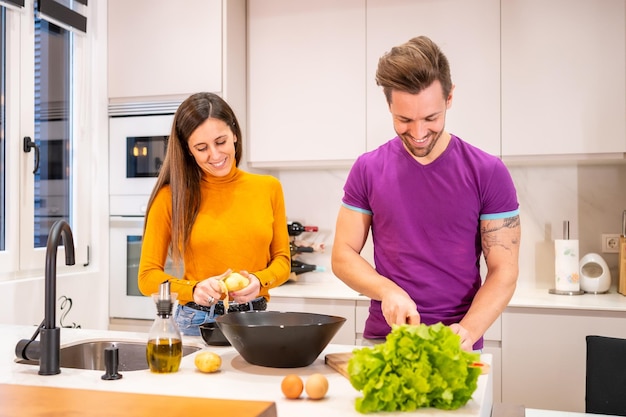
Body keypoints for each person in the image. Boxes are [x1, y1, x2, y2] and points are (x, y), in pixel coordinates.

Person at [331, 36, 521, 351]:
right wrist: (387, 291)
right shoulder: (367, 169)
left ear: (450, 97)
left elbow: (504, 270)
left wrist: (467, 332)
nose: (418, 134)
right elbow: (342, 255)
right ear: (389, 105)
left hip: (459, 343)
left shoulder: (488, 172)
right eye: (404, 120)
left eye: (430, 119)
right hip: (385, 339)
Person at [138, 92, 291, 336]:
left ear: (234, 135)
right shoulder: (170, 197)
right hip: (196, 321)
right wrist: (193, 288)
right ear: (189, 150)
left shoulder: (268, 188)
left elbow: (282, 261)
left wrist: (259, 280)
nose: (215, 155)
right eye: (201, 148)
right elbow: (147, 277)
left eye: (221, 142)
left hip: (256, 318)